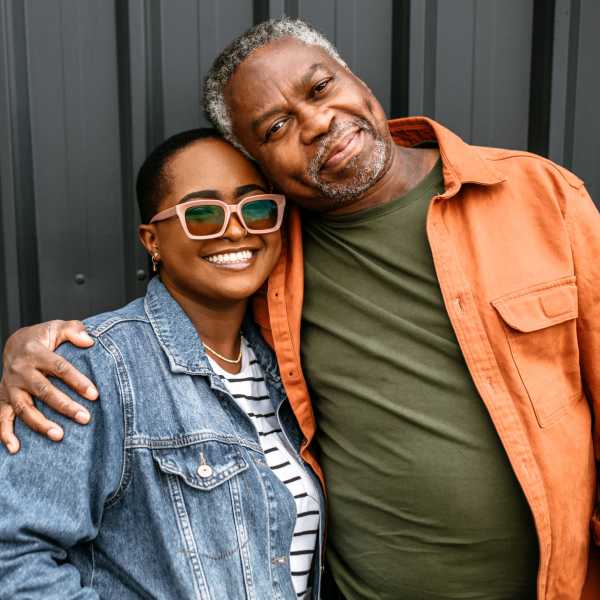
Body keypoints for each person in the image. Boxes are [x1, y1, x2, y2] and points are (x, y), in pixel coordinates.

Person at [2, 17, 600, 600]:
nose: (317, 122)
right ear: (266, 165)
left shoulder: (539, 196)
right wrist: (30, 348)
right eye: (277, 126)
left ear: (356, 79)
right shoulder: (273, 251)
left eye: (321, 88)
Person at [0, 128, 325, 599]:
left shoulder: (287, 364)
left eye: (255, 208)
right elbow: (14, 557)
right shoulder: (94, 367)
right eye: (203, 214)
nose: (236, 230)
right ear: (152, 240)